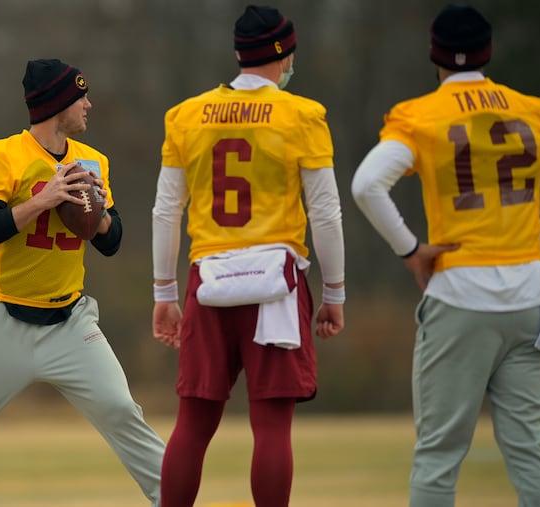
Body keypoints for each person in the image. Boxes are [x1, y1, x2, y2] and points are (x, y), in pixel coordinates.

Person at [0, 58, 165, 507]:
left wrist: (93, 219)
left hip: (70, 323)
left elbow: (112, 241)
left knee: (122, 412)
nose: (89, 105)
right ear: (59, 104)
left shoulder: (92, 162)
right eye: (82, 97)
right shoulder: (1, 155)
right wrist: (45, 201)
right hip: (1, 320)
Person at [351, 5, 540, 507]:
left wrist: (410, 250)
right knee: (531, 455)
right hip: (528, 298)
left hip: (460, 292)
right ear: (488, 53)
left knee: (438, 456)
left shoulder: (422, 115)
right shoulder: (532, 111)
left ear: (435, 57)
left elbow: (367, 185)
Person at [151, 5, 346, 507]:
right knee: (272, 425)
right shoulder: (301, 115)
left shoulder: (186, 115)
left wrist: (163, 292)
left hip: (208, 278)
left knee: (193, 424)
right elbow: (325, 212)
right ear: (283, 54)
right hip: (275, 282)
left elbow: (165, 211)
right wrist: (336, 292)